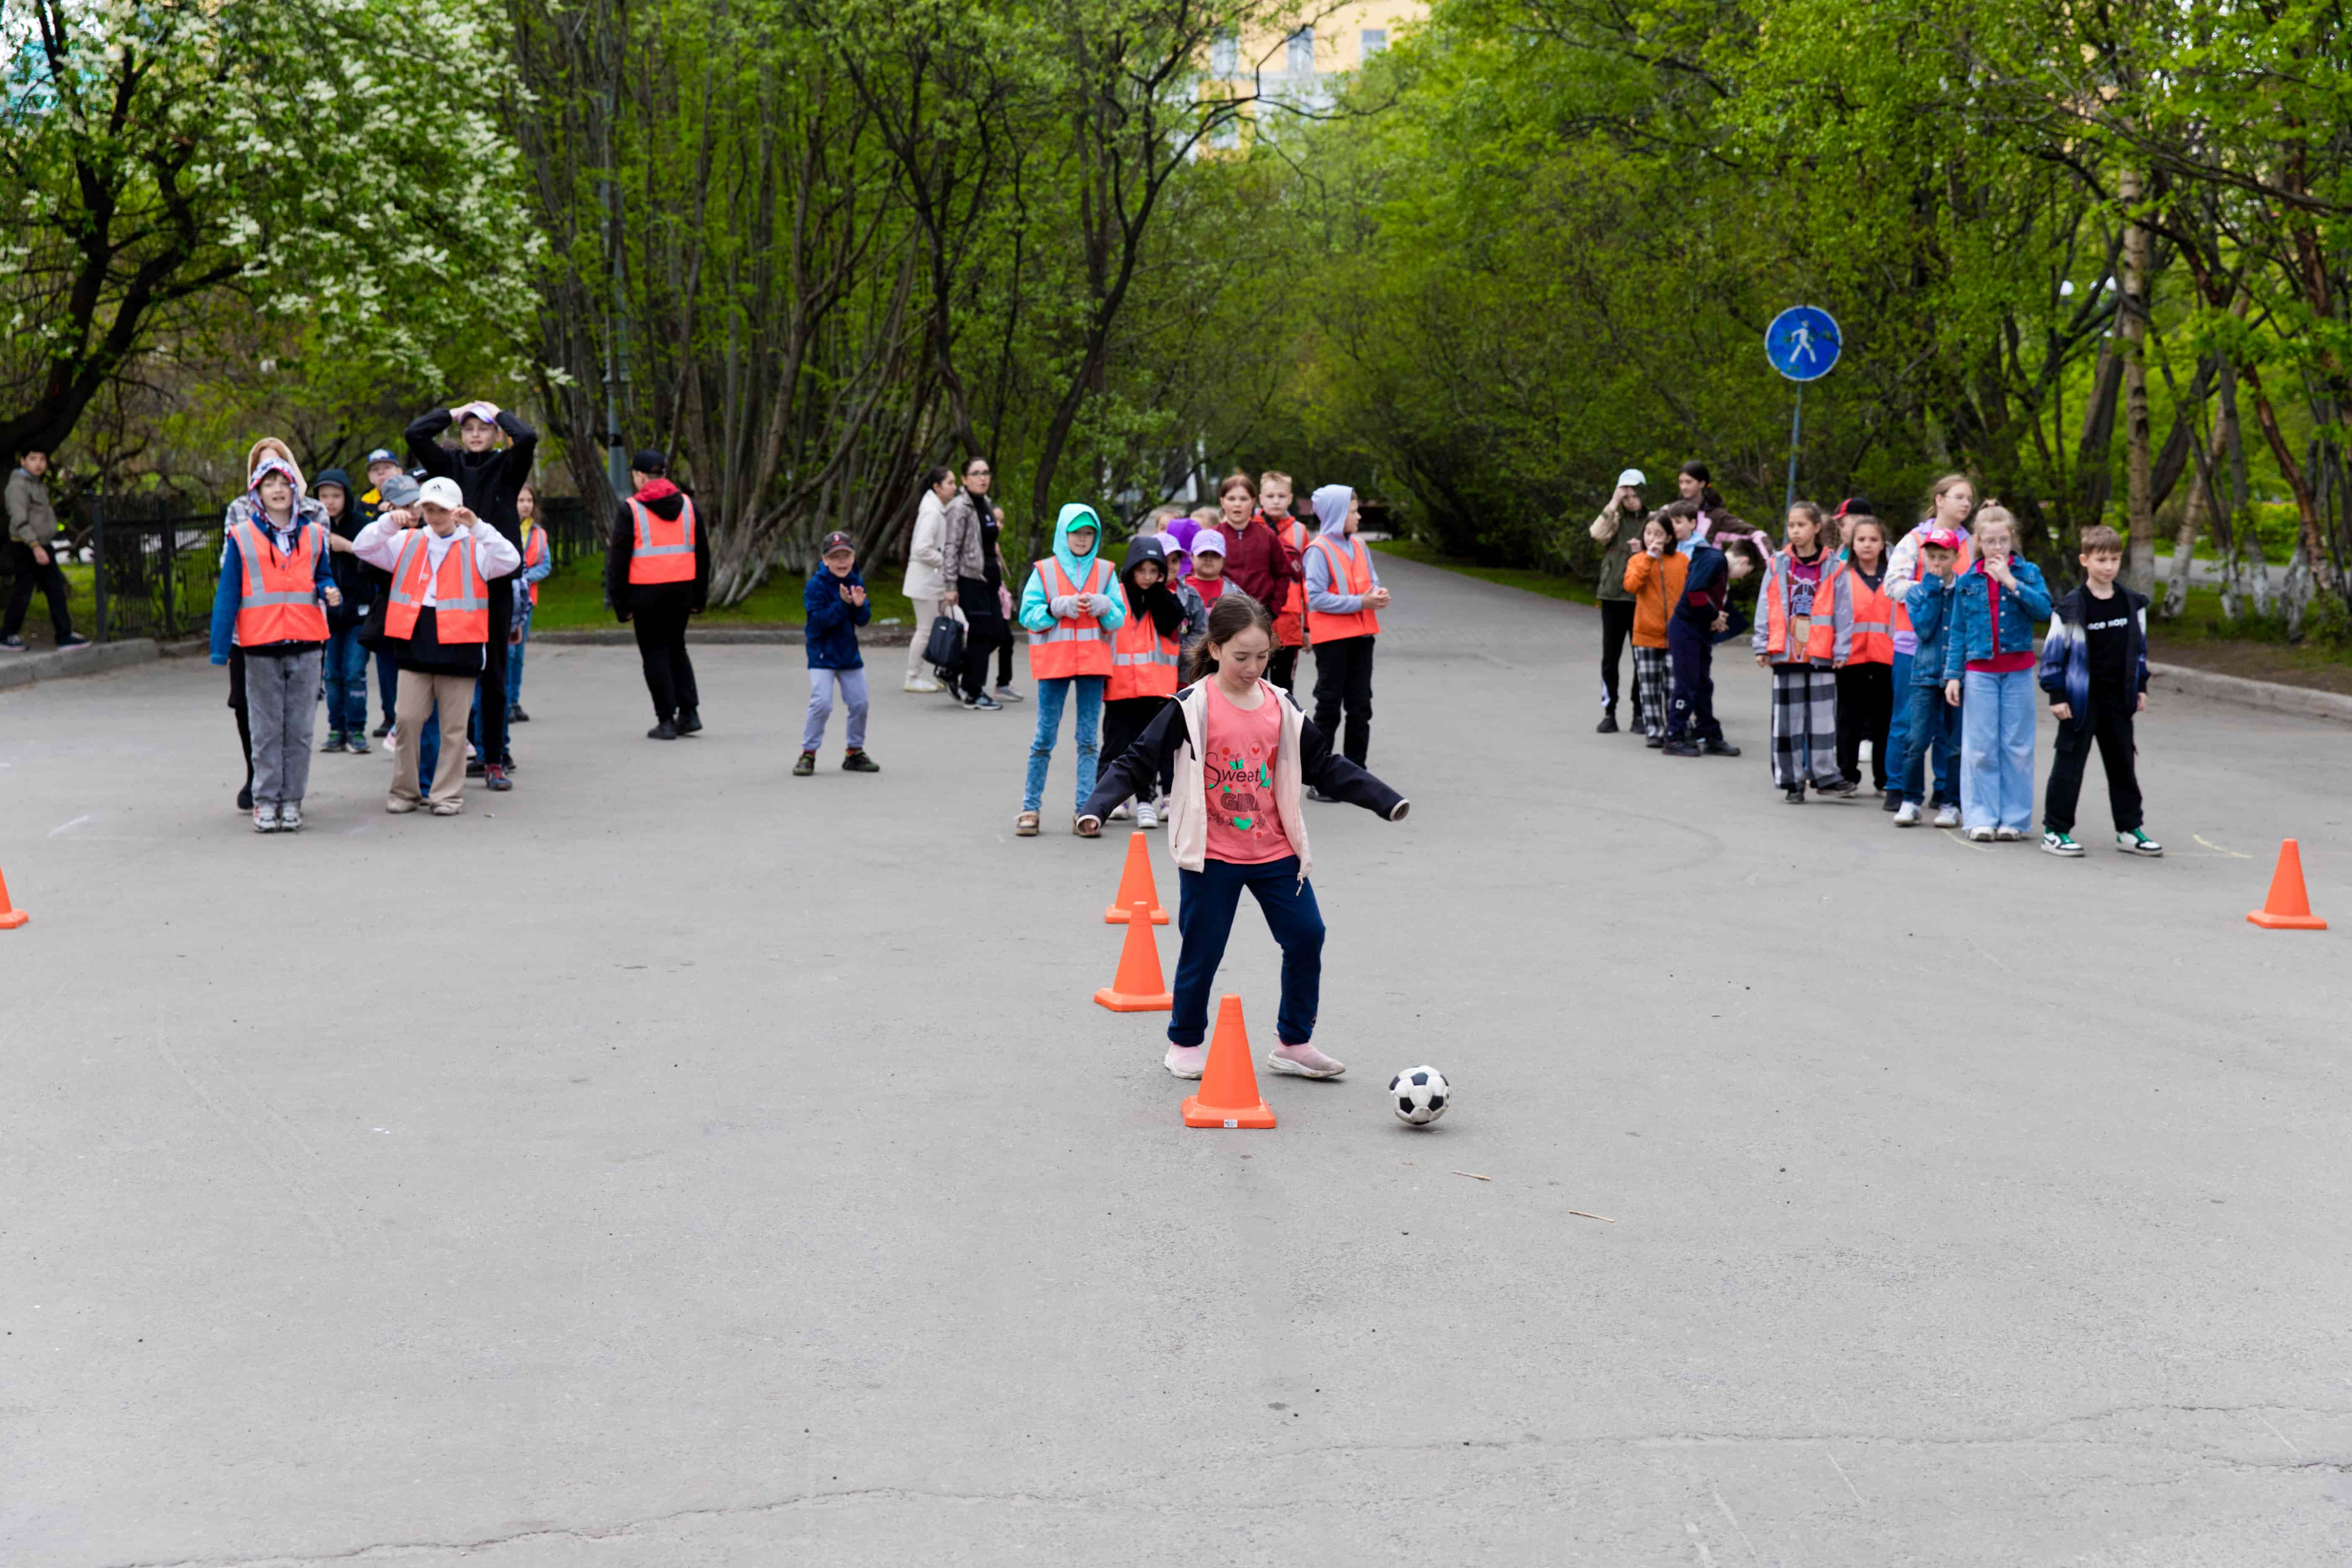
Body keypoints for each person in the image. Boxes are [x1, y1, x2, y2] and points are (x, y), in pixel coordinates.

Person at [1079, 591, 1409, 1081]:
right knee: (1204, 950)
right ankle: (1185, 1042)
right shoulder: (1191, 707)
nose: (1253, 668)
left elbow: (1323, 765)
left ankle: (1294, 1043)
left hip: (1274, 849)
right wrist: (1097, 807)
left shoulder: (1281, 706)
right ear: (1214, 649)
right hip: (1213, 854)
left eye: (1262, 657)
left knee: (1307, 936)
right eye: (1241, 657)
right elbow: (1137, 759)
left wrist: (1384, 799)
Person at [353, 476, 521, 815]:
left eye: (441, 509)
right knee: (408, 719)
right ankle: (405, 792)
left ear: (456, 511)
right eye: (428, 508)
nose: (434, 516)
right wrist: (388, 521)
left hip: (461, 646)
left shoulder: (476, 546)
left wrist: (479, 526)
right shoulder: (407, 541)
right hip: (416, 643)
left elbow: (511, 560)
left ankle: (447, 795)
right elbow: (363, 548)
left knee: (455, 729)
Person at [208, 450, 341, 831]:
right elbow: (229, 593)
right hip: (260, 647)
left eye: (285, 483)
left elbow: (324, 576)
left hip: (307, 644)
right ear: (257, 492)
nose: (279, 490)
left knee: (299, 731)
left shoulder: (315, 534)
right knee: (266, 730)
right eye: (270, 484)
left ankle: (293, 801)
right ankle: (266, 801)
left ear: (295, 490)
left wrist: (331, 591)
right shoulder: (242, 536)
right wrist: (221, 648)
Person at [405, 402, 536, 790]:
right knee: (451, 668)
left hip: (495, 578)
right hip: (453, 579)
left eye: (485, 428)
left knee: (494, 671)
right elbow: (415, 434)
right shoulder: (450, 468)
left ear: (497, 434)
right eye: (469, 428)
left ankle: (495, 757)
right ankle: (450, 757)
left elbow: (527, 437)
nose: (476, 434)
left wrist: (501, 412)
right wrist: (453, 410)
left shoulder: (508, 467)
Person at [2039, 526, 2160, 857]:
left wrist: (2140, 687)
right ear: (2085, 560)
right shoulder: (2071, 607)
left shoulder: (2132, 604)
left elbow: (2139, 651)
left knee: (2123, 766)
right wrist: (2057, 695)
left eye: (2115, 559)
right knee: (2070, 766)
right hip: (2079, 700)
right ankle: (2055, 831)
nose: (2108, 567)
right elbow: (2053, 653)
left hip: (2117, 701)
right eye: (2101, 559)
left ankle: (2129, 830)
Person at [1942, 505, 2050, 842]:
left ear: (2012, 539)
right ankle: (1981, 817)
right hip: (1980, 672)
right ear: (1978, 542)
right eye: (1990, 542)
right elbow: (1958, 630)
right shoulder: (1969, 580)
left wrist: (2011, 582)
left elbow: (2044, 609)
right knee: (1980, 748)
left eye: (2003, 540)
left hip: (2017, 670)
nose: (1998, 548)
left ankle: (2014, 820)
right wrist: (1954, 675)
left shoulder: (2028, 572)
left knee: (2017, 748)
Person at [1015, 503, 1124, 837]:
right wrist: (1054, 608)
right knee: (1044, 738)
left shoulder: (1106, 571)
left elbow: (1118, 616)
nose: (1082, 539)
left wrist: (1106, 606)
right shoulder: (1044, 570)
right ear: (1064, 533)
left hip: (1092, 663)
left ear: (1096, 536)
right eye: (1077, 533)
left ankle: (1085, 811)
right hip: (1054, 664)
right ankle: (1030, 809)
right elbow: (1027, 615)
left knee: (1089, 741)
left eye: (1089, 533)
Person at [1882, 473, 1978, 814]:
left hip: (1956, 647)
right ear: (1939, 500)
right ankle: (1898, 787)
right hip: (1914, 644)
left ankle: (1943, 790)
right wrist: (1929, 590)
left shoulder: (1972, 542)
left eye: (1969, 498)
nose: (1966, 504)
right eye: (1958, 497)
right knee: (1907, 721)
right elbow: (1893, 585)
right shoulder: (1914, 540)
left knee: (1947, 727)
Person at [604, 450, 711, 740]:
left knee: (654, 654)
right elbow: (703, 554)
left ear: (639, 476)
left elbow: (618, 561)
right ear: (664, 474)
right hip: (682, 592)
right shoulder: (689, 505)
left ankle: (666, 720)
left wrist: (620, 604)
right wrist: (700, 596)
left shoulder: (632, 509)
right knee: (677, 648)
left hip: (646, 595)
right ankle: (689, 714)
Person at [1751, 501, 1844, 802]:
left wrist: (1842, 650)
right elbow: (1766, 605)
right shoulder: (1778, 564)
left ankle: (1825, 775)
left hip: (1820, 655)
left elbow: (1844, 611)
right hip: (1785, 655)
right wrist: (1762, 644)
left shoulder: (1834, 566)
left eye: (1802, 525)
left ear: (1817, 528)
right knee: (1787, 724)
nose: (1795, 531)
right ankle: (1792, 782)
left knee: (1822, 722)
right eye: (1791, 526)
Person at [1302, 483, 1390, 776]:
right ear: (1338, 514)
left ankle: (1356, 773)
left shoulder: (1360, 546)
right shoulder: (1318, 550)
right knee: (1329, 708)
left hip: (1363, 638)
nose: (1359, 517)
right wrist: (1361, 602)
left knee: (1360, 708)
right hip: (1333, 642)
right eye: (1353, 511)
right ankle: (1321, 777)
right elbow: (1315, 598)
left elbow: (1372, 581)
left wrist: (1377, 594)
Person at [1101, 534, 1186, 828]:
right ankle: (1109, 798)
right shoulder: (1117, 596)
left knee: (1150, 748)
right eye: (1142, 570)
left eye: (1154, 571)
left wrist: (1158, 594)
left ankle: (1145, 800)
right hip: (1119, 686)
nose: (1148, 577)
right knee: (1115, 746)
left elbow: (1174, 621)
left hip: (1156, 688)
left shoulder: (1164, 599)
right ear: (1131, 570)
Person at [1888, 529, 1965, 828]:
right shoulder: (1918, 591)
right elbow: (1923, 629)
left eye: (1943, 558)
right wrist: (1933, 589)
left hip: (1955, 676)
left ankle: (1950, 802)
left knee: (1953, 743)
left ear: (1956, 558)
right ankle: (1911, 800)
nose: (1937, 564)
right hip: (1924, 675)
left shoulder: (1964, 590)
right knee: (1916, 740)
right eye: (1931, 557)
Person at [1826, 507, 1896, 795]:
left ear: (1883, 544)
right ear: (1852, 544)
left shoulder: (1895, 579)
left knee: (1885, 722)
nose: (1867, 545)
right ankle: (1847, 776)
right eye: (1862, 540)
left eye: (1873, 539)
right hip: (1850, 657)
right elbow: (1830, 617)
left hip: (1886, 659)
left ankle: (1885, 778)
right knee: (1848, 719)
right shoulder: (1841, 576)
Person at [797, 530, 879, 776]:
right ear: (825, 560)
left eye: (847, 556)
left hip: (848, 654)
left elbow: (863, 620)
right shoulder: (816, 586)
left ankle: (854, 752)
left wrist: (859, 605)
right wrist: (842, 604)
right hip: (822, 654)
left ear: (854, 558)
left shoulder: (856, 581)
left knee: (860, 703)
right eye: (836, 557)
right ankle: (808, 754)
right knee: (821, 704)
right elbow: (820, 622)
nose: (842, 562)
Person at [1663, 502, 1741, 758]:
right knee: (1686, 684)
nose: (1743, 576)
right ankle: (1674, 736)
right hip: (1685, 627)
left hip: (1699, 628)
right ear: (1742, 561)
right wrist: (1715, 615)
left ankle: (1709, 733)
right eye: (1747, 571)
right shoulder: (1715, 561)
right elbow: (1695, 594)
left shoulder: (1708, 556)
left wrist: (1714, 617)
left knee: (1703, 684)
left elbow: (1707, 595)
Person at [2, 447, 88, 652]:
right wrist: (35, 547)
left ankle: (64, 635)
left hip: (42, 545)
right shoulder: (18, 487)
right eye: (33, 459)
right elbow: (19, 520)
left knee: (55, 590)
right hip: (26, 546)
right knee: (23, 591)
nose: (39, 463)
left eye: (42, 459)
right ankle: (7, 636)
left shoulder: (38, 485)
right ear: (23, 461)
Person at [313, 467, 374, 755]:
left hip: (359, 614)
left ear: (346, 497)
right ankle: (337, 729)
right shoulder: (311, 527)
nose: (330, 502)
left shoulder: (362, 524)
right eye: (324, 496)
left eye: (336, 496)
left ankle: (357, 730)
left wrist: (348, 547)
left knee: (353, 673)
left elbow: (377, 561)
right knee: (332, 676)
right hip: (326, 616)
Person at [941, 457, 1007, 710]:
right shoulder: (960, 507)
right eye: (976, 473)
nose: (983, 478)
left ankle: (953, 670)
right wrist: (950, 585)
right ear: (965, 480)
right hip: (970, 580)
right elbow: (951, 548)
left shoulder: (986, 504)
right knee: (981, 636)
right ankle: (974, 691)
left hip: (990, 579)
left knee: (999, 634)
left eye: (986, 473)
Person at [1589, 468, 1647, 732]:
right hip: (1613, 597)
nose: (1631, 501)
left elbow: (1667, 548)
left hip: (1641, 598)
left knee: (1641, 658)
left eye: (1635, 495)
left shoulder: (1654, 520)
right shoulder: (1615, 518)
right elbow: (1596, 534)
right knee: (1610, 658)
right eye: (1626, 496)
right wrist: (1613, 503)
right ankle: (1609, 711)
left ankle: (1639, 714)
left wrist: (1644, 551)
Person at [1620, 513, 1684, 748]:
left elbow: (1690, 594)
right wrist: (1648, 559)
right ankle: (1654, 731)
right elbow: (1631, 586)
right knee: (1649, 686)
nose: (1653, 539)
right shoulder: (1638, 560)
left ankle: (1676, 728)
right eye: (1649, 534)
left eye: (1658, 534)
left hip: (1676, 635)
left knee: (1674, 685)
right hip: (1646, 634)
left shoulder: (1681, 561)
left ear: (1669, 537)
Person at [355, 448, 405, 740]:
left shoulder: (414, 499)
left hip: (412, 589)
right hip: (381, 592)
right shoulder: (365, 506)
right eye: (376, 470)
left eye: (387, 467)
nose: (382, 473)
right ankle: (391, 714)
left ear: (399, 470)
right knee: (386, 660)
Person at [1207, 471, 1299, 616]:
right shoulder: (1212, 536)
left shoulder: (1268, 536)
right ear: (1222, 502)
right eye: (1231, 499)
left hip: (1260, 615)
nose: (1237, 504)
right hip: (1222, 614)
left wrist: (1273, 610)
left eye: (1244, 499)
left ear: (1253, 502)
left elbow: (1282, 575)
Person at [1258, 472, 1311, 692]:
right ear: (1260, 498)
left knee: (1284, 690)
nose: (1276, 501)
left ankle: (1284, 728)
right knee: (1253, 685)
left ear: (1290, 498)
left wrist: (1308, 626)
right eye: (1270, 496)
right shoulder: (1252, 527)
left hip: (1289, 623)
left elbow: (1307, 582)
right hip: (1257, 618)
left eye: (1281, 496)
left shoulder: (1299, 531)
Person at [902, 466, 953, 694]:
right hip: (924, 581)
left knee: (936, 628)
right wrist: (944, 560)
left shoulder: (936, 509)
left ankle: (941, 673)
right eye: (950, 483)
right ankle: (913, 677)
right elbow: (922, 549)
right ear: (937, 487)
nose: (955, 487)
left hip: (930, 581)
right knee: (925, 630)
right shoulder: (932, 512)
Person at [505, 482, 552, 723]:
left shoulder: (539, 534)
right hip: (507, 598)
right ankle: (504, 701)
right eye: (521, 501)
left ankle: (514, 701)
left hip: (527, 600)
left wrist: (525, 577)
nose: (525, 506)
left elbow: (545, 565)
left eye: (529, 501)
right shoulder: (504, 528)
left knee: (518, 653)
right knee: (508, 652)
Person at [1185, 529, 1231, 605]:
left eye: (1215, 555)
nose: (1209, 559)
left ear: (1223, 560)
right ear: (1192, 557)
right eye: (1203, 554)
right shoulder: (1178, 589)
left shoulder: (1234, 593)